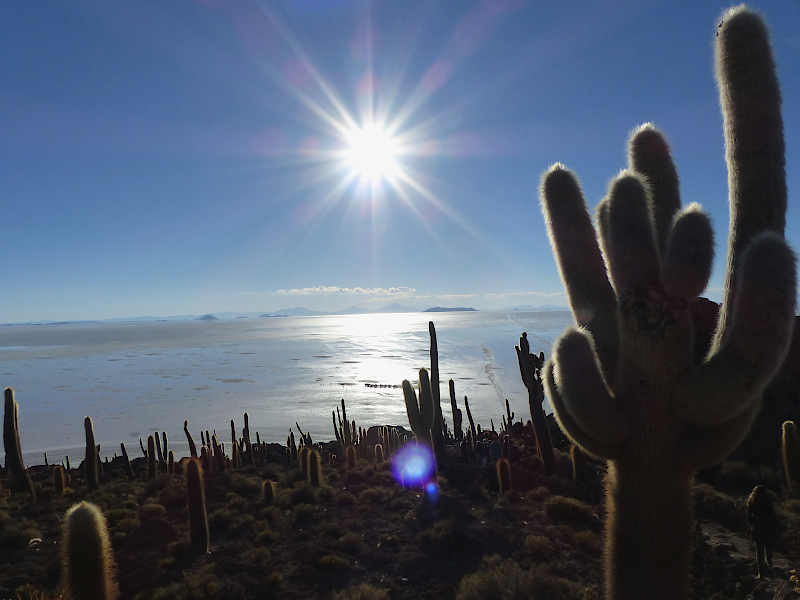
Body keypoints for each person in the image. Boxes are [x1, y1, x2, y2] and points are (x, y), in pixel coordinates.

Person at [747, 485, 781, 578]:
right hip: (767, 526)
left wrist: (754, 523)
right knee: (768, 545)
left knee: (759, 550)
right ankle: (770, 564)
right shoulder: (768, 503)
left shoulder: (752, 502)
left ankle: (760, 572)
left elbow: (749, 518)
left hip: (757, 527)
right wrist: (777, 528)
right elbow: (773, 516)